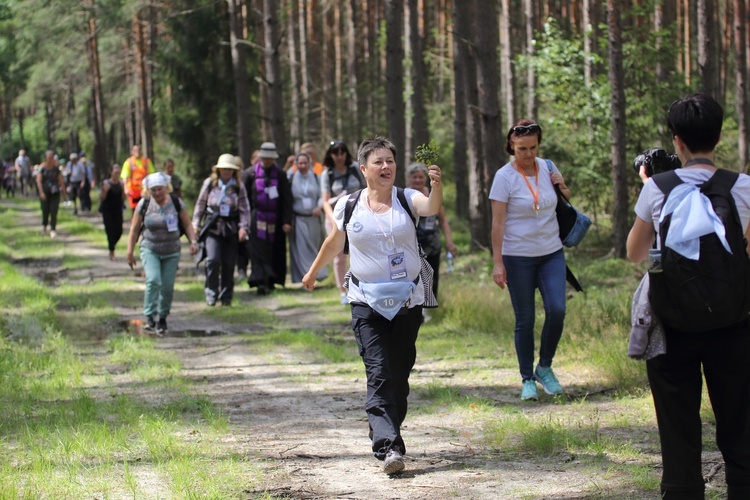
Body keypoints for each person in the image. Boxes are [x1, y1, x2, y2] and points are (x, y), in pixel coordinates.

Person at [626, 93, 750, 499]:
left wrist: (652, 192)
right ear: (717, 138)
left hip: (672, 324)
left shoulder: (658, 188)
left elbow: (636, 253)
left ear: (676, 141)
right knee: (740, 423)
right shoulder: (743, 187)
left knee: (678, 428)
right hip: (735, 323)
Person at [302, 136, 443, 476]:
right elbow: (335, 241)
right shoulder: (348, 205)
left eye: (390, 161)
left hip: (408, 301)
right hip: (366, 301)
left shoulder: (407, 198)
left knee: (399, 375)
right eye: (378, 162)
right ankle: (389, 446)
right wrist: (312, 272)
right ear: (363, 169)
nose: (386, 167)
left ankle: (386, 429)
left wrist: (436, 185)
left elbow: (432, 208)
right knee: (378, 372)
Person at [489, 120, 570, 401]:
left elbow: (564, 201)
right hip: (517, 256)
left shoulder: (548, 166)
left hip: (551, 253)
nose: (528, 153)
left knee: (557, 310)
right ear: (511, 145)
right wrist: (498, 262)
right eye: (522, 148)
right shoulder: (504, 177)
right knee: (525, 319)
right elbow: (497, 224)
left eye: (533, 147)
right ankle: (526, 379)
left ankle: (544, 367)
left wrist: (563, 186)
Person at [125, 172, 198, 334]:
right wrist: (130, 251)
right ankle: (150, 316)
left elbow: (187, 224)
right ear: (148, 190)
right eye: (153, 190)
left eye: (159, 189)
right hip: (150, 248)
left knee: (167, 286)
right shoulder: (144, 204)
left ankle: (163, 317)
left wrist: (193, 242)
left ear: (166, 188)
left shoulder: (176, 203)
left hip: (172, 251)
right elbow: (135, 229)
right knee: (153, 280)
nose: (157, 193)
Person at [192, 154, 250, 306]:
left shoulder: (238, 186)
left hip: (231, 229)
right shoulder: (210, 183)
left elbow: (244, 209)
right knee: (212, 260)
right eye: (223, 169)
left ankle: (226, 296)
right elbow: (200, 204)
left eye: (229, 169)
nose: (226, 172)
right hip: (213, 227)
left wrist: (244, 227)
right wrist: (196, 224)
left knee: (229, 263)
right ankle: (211, 292)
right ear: (218, 170)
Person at [243, 142, 293, 295]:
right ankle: (260, 281)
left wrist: (286, 221)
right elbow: (244, 200)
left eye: (271, 158)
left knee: (273, 250)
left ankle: (271, 280)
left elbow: (287, 199)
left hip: (275, 220)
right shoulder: (249, 173)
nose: (268, 161)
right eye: (265, 158)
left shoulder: (280, 174)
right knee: (258, 251)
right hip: (256, 218)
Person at [321, 140, 366, 304]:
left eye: (342, 152)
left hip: (358, 218)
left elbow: (367, 188)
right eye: (335, 153)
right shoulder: (328, 174)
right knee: (339, 257)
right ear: (330, 155)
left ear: (346, 153)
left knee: (360, 253)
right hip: (335, 219)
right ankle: (342, 290)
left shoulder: (355, 168)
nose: (339, 157)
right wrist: (333, 220)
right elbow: (325, 201)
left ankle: (360, 286)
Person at [406, 162, 458, 299]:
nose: (417, 180)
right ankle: (412, 305)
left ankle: (429, 307)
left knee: (431, 275)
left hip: (432, 244)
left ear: (426, 178)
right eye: (414, 177)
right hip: (411, 245)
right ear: (409, 178)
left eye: (420, 177)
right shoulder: (404, 196)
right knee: (412, 276)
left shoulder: (433, 195)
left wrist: (449, 242)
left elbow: (443, 220)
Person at [287, 152, 327, 283]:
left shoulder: (317, 177)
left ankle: (317, 273)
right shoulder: (291, 177)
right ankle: (307, 277)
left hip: (314, 218)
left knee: (315, 246)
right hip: (299, 218)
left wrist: (319, 207)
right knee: (303, 248)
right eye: (300, 163)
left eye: (305, 163)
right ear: (296, 164)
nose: (302, 166)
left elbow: (323, 194)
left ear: (309, 163)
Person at [36, 150, 67, 238]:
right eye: (48, 157)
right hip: (45, 192)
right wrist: (41, 192)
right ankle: (44, 226)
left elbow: (61, 182)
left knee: (54, 210)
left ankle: (53, 228)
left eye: (52, 157)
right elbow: (38, 181)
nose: (50, 159)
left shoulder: (56, 168)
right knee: (45, 210)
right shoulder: (42, 167)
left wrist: (64, 193)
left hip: (55, 192)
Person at [99, 164, 126, 260]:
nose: (117, 175)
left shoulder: (120, 184)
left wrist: (124, 190)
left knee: (119, 231)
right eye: (115, 173)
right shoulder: (106, 183)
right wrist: (104, 191)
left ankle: (111, 245)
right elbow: (102, 198)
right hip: (107, 211)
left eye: (118, 173)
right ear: (111, 173)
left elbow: (123, 198)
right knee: (110, 231)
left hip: (118, 210)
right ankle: (112, 252)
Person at [121, 144, 155, 215]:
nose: (137, 152)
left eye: (139, 150)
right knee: (135, 209)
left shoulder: (147, 161)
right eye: (135, 150)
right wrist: (125, 188)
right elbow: (125, 177)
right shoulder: (128, 162)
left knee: (146, 207)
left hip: (145, 189)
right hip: (133, 190)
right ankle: (135, 223)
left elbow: (152, 175)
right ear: (132, 151)